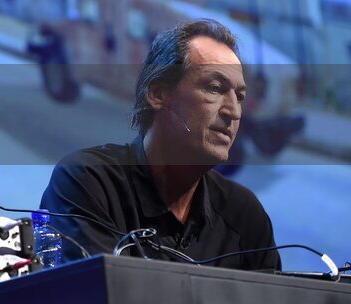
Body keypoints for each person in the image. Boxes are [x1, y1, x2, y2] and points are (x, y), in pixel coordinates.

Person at [40, 19, 281, 270]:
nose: (234, 111)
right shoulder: (87, 181)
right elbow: (104, 301)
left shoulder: (245, 215)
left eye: (239, 97)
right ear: (158, 94)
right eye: (214, 88)